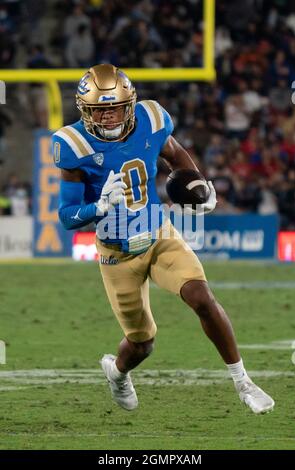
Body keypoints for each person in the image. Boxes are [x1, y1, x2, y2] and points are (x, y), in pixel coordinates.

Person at [53, 64, 274, 414]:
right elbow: (66, 216)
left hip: (159, 235)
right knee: (142, 343)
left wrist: (197, 184)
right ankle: (118, 373)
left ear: (131, 104)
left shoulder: (151, 118)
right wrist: (98, 206)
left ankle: (243, 381)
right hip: (117, 253)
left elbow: (174, 153)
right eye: (100, 110)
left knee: (200, 295)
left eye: (115, 108)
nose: (109, 117)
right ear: (85, 111)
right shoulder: (73, 145)